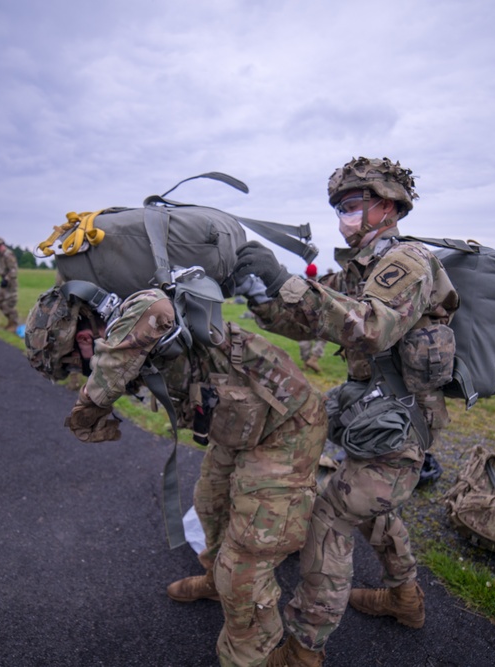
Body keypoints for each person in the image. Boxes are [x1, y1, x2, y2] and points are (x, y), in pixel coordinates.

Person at [231, 157, 459, 666]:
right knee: (370, 503)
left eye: (353, 206)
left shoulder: (408, 263)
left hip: (403, 427)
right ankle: (405, 600)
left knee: (330, 517)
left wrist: (288, 287)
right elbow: (310, 317)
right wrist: (263, 292)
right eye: (339, 208)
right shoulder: (359, 269)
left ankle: (304, 649)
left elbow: (371, 326)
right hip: (373, 415)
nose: (343, 218)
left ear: (388, 205)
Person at [64, 283, 327, 667]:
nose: (77, 371)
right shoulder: (129, 337)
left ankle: (255, 654)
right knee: (210, 502)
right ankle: (213, 580)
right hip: (241, 422)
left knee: (246, 562)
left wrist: (85, 412)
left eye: (72, 362)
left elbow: (136, 335)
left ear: (86, 337)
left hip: (288, 426)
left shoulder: (140, 314)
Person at [296, 264, 326, 373]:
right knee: (322, 338)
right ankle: (313, 359)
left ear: (306, 273)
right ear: (316, 273)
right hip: (318, 316)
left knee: (304, 338)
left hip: (303, 315)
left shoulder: (300, 284)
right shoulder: (321, 285)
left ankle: (305, 363)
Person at [0, 236, 20, 332]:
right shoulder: (2, 256)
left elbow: (13, 270)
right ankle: (10, 321)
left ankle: (14, 324)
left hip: (10, 284)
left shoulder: (8, 255)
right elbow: (4, 270)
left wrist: (6, 279)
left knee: (8, 305)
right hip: (4, 283)